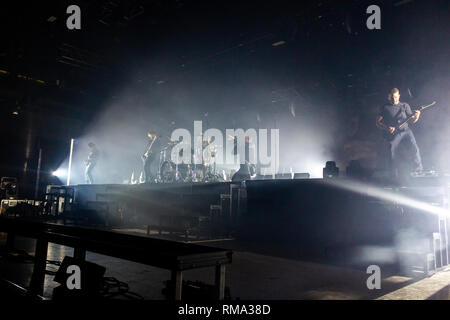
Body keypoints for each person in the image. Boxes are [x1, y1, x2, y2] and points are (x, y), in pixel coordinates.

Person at [376, 88, 423, 178]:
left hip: (406, 131)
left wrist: (417, 115)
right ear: (389, 97)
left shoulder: (404, 106)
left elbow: (413, 120)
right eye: (392, 97)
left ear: (399, 96)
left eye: (396, 97)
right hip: (395, 133)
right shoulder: (384, 107)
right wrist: (387, 128)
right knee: (391, 150)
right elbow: (378, 122)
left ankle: (418, 171)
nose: (395, 99)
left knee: (414, 148)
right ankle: (392, 174)